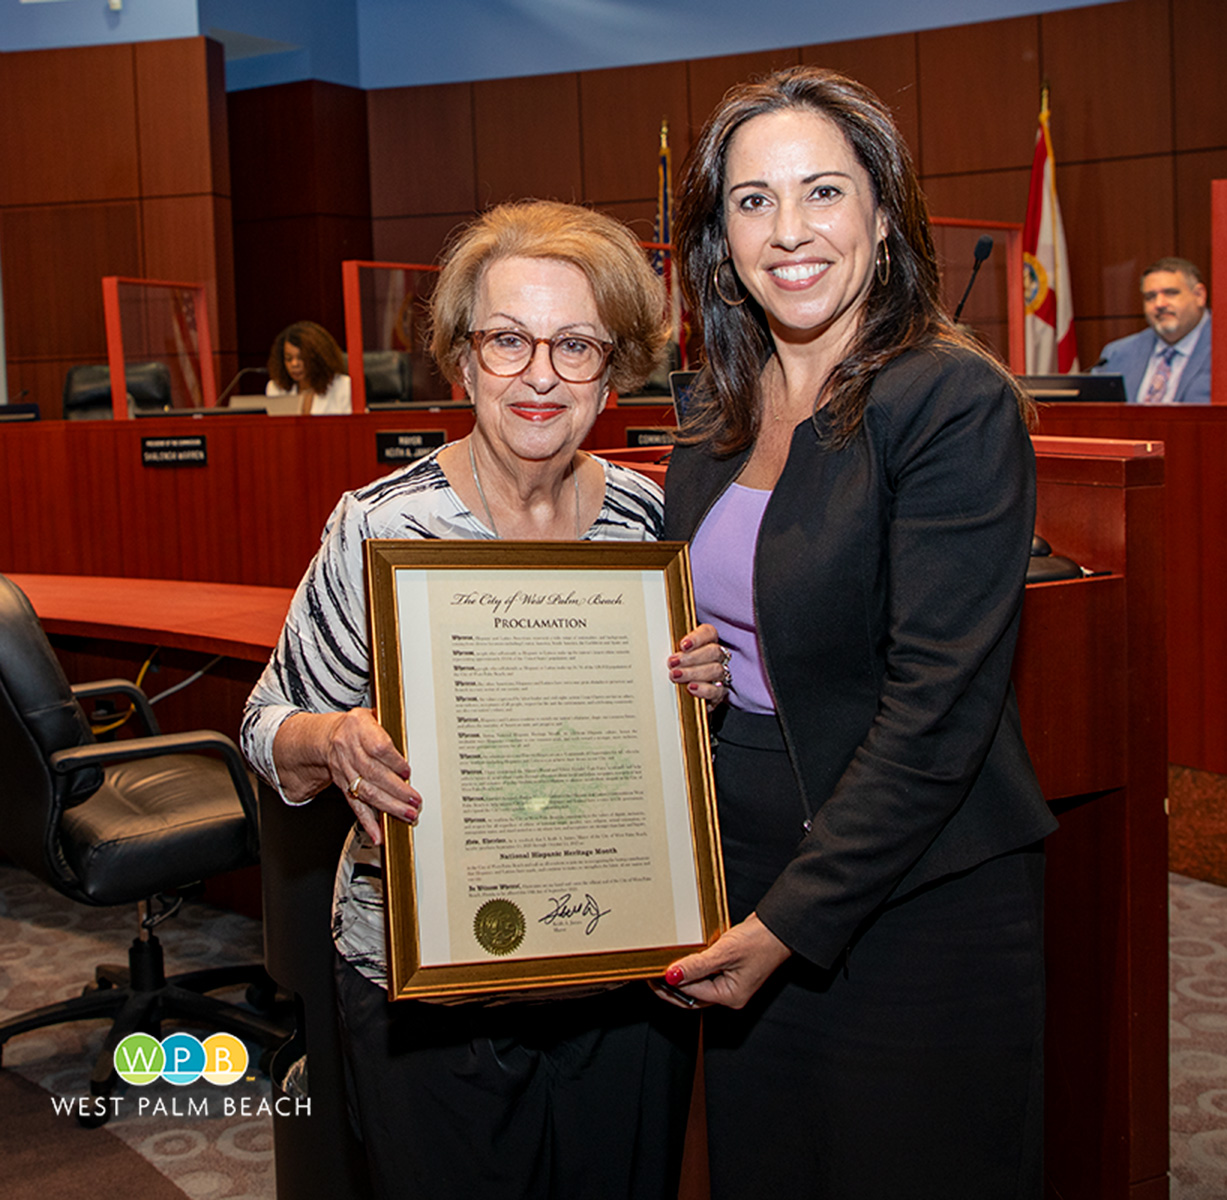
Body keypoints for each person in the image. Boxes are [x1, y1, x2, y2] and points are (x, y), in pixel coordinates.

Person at [658, 67, 1059, 1200]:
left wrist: (790, 924)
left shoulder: (950, 401)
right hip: (744, 873)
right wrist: (701, 663)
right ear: (718, 237)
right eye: (751, 200)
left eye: (823, 192)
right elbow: (746, 620)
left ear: (883, 216)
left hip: (911, 895)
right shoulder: (710, 413)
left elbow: (937, 710)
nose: (789, 231)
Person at [241, 200, 696, 1199]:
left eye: (575, 344)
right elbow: (264, 727)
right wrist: (336, 740)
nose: (541, 373)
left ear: (613, 369)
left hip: (617, 971)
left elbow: (682, 745)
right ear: (462, 359)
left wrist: (706, 688)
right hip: (427, 988)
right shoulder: (378, 525)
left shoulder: (651, 523)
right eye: (508, 339)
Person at [1091, 256, 1212, 404]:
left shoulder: (1220, 349)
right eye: (1150, 297)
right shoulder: (1117, 355)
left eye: (1171, 293)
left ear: (1199, 295)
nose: (1159, 304)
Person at [266, 319, 352, 413]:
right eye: (288, 359)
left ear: (318, 357)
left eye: (301, 357)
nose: (294, 364)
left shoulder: (343, 387)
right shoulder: (276, 389)